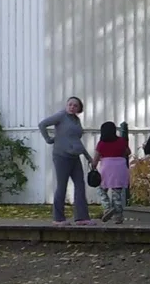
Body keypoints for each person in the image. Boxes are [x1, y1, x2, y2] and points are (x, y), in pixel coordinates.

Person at [38, 96, 96, 226]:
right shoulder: (61, 116)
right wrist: (48, 139)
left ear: (79, 108)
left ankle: (82, 218)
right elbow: (42, 124)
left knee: (80, 185)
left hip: (75, 157)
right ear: (66, 105)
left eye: (75, 105)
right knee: (62, 186)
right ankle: (58, 219)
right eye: (70, 104)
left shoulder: (76, 120)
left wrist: (88, 158)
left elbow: (77, 141)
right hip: (61, 156)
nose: (72, 107)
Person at [94, 122, 131, 224]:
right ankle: (118, 216)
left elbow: (95, 159)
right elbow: (128, 152)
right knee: (117, 193)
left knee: (101, 189)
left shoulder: (101, 143)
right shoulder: (121, 141)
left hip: (106, 168)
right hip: (120, 167)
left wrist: (93, 166)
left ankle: (107, 207)